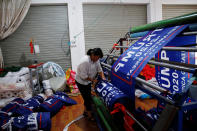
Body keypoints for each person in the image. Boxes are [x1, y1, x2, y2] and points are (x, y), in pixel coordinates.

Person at [75, 48, 106, 120]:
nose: (97, 59)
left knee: (88, 97)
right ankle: (89, 116)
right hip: (81, 82)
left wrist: (103, 78)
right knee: (87, 98)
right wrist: (93, 80)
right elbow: (84, 76)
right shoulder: (85, 62)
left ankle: (85, 111)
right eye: (97, 57)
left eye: (98, 58)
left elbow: (100, 70)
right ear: (92, 55)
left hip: (88, 81)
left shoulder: (96, 60)